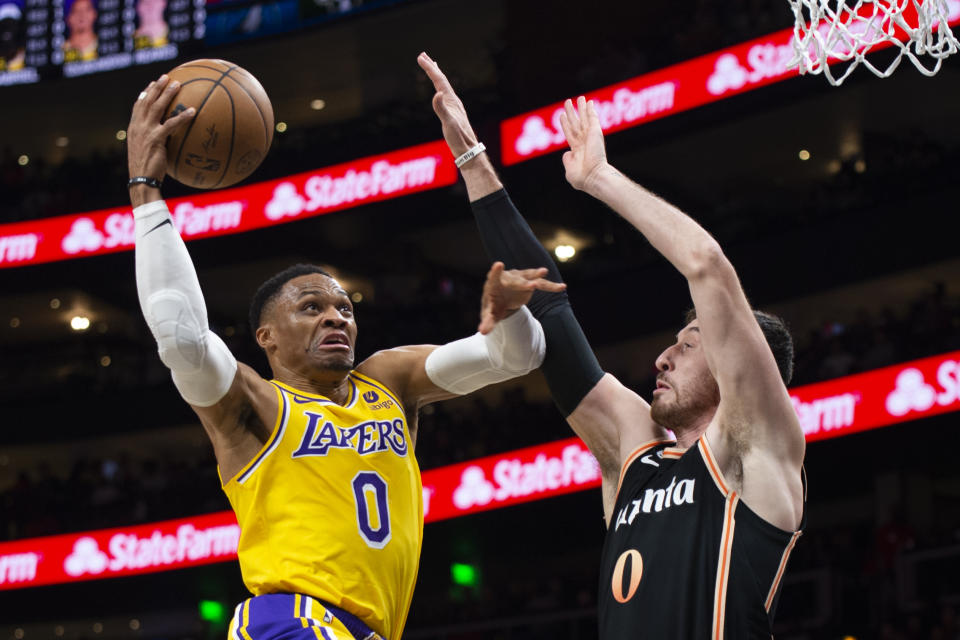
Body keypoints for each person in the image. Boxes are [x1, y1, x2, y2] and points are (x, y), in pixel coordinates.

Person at [126, 74, 564, 640]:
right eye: (310, 307)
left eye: (344, 308)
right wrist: (145, 192)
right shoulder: (252, 405)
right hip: (291, 622)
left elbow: (517, 358)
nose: (336, 317)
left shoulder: (388, 381)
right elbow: (182, 337)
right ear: (266, 338)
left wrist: (508, 313)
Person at [418, 52, 806, 639]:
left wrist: (599, 178)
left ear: (737, 370)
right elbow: (549, 308)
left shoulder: (754, 452)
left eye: (689, 344)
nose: (663, 358)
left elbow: (707, 266)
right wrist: (471, 157)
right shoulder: (635, 454)